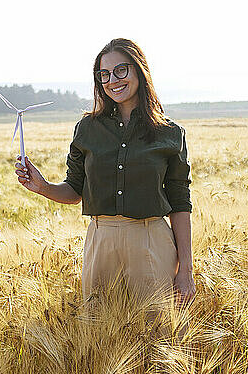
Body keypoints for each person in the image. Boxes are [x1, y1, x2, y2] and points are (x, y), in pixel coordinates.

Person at [14, 38, 195, 307]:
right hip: (101, 240)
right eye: (104, 74)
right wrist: (43, 187)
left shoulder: (169, 133)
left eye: (121, 70)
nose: (113, 80)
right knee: (98, 334)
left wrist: (186, 271)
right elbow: (75, 191)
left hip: (152, 240)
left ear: (139, 71)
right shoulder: (87, 129)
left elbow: (180, 203)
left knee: (156, 334)